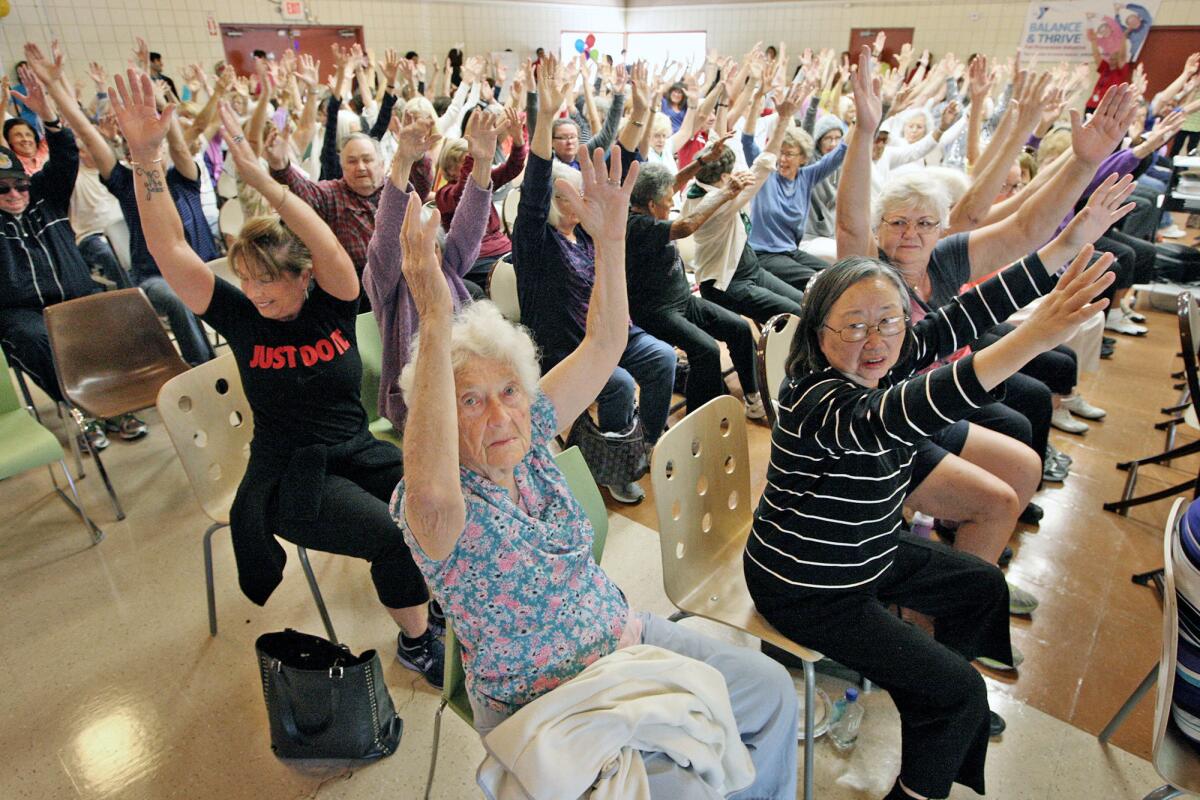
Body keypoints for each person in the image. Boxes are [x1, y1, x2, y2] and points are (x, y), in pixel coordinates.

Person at [395, 145, 798, 798]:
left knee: (772, 692)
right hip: (545, 701)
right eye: (469, 400)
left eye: (509, 391)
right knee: (687, 788)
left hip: (620, 636)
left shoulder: (528, 439)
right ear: (441, 412)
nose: (500, 413)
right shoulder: (437, 505)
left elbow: (606, 341)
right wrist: (435, 320)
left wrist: (611, 238)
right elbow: (433, 489)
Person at [746, 238, 1117, 800]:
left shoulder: (887, 354)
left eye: (889, 321)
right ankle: (935, 730)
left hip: (866, 551)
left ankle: (931, 692)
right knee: (960, 692)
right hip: (808, 586)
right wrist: (1036, 335)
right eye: (853, 326)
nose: (875, 341)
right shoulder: (818, 400)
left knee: (982, 585)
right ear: (817, 330)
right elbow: (919, 404)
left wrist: (1064, 244)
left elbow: (964, 315)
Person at [108, 70, 444, 685]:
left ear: (303, 276)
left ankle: (432, 597)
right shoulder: (240, 316)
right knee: (391, 536)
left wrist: (267, 183)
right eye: (247, 280)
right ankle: (418, 641)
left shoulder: (335, 296)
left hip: (357, 449)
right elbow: (168, 249)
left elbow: (328, 245)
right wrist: (145, 157)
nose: (256, 293)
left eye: (269, 281)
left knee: (437, 499)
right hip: (291, 474)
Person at [512, 55, 675, 505]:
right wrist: (543, 119)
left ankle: (642, 442)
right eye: (566, 191)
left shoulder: (585, 230)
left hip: (611, 331)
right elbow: (536, 184)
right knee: (620, 383)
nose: (579, 196)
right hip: (565, 346)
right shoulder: (535, 241)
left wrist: (641, 112)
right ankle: (612, 463)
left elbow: (618, 166)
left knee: (662, 359)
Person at [364, 109, 496, 432]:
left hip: (469, 384)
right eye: (413, 247)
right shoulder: (388, 283)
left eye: (430, 246)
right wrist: (401, 164)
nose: (425, 255)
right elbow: (387, 233)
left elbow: (469, 224)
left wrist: (481, 165)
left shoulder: (449, 267)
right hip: (418, 400)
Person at [626, 162, 765, 418]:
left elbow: (671, 184)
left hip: (683, 301)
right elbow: (687, 225)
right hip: (657, 311)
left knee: (739, 328)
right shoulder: (637, 225)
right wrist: (726, 192)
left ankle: (753, 397)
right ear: (652, 205)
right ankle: (700, 420)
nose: (672, 205)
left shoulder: (648, 205)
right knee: (707, 350)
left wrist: (702, 161)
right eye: (668, 202)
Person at [682, 84, 810, 325]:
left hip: (750, 269)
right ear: (723, 178)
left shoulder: (707, 180)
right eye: (732, 172)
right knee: (797, 316)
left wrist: (722, 106)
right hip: (727, 282)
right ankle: (782, 361)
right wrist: (783, 120)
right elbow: (763, 167)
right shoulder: (716, 201)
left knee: (806, 303)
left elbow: (717, 145)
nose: (736, 173)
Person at [433, 106, 526, 298]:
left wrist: (518, 141)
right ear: (449, 169)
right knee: (517, 281)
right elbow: (465, 193)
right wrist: (475, 157)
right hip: (475, 258)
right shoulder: (444, 194)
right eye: (465, 160)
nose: (473, 163)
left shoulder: (485, 179)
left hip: (503, 249)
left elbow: (513, 168)